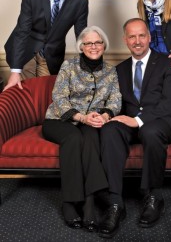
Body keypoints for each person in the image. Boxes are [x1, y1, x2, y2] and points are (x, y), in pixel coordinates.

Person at [98, 18, 171, 239]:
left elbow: (170, 103)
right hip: (129, 120)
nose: (137, 41)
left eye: (141, 36)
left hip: (163, 121)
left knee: (150, 130)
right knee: (109, 130)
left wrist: (138, 121)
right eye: (132, 37)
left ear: (149, 37)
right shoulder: (118, 70)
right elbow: (113, 101)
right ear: (125, 40)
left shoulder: (168, 63)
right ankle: (116, 203)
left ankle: (154, 196)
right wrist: (108, 115)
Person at [42, 26, 121, 232]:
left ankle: (89, 206)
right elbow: (58, 97)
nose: (93, 46)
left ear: (104, 46)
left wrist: (103, 116)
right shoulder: (69, 66)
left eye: (97, 42)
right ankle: (69, 203)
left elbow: (115, 100)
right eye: (88, 43)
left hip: (92, 121)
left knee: (91, 139)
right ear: (81, 47)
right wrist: (81, 117)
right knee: (74, 138)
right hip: (59, 121)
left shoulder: (111, 71)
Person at [4, 0, 88, 91]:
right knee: (25, 92)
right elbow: (22, 31)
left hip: (52, 55)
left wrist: (87, 67)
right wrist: (15, 71)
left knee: (46, 96)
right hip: (24, 51)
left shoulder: (80, 0)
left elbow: (82, 35)